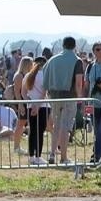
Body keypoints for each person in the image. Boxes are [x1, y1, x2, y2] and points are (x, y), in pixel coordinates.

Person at [39, 37, 86, 165]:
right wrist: (80, 98)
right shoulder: (77, 61)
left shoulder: (52, 60)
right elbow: (78, 83)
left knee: (56, 126)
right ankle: (64, 157)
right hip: (69, 96)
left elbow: (45, 79)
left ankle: (53, 153)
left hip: (54, 96)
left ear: (63, 45)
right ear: (74, 46)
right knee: (65, 127)